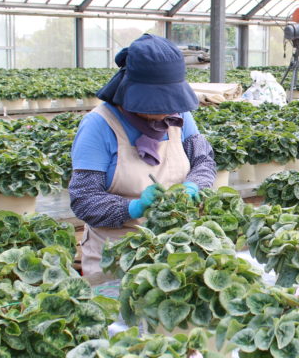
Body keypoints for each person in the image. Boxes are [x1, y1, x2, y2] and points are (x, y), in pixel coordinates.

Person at [70, 33, 216, 281]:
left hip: (175, 251)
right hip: (117, 257)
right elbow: (84, 198)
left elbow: (204, 161)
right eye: (157, 104)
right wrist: (133, 207)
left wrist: (195, 185)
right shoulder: (98, 125)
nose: (167, 111)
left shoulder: (179, 116)